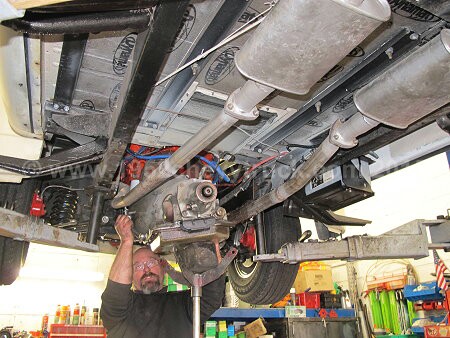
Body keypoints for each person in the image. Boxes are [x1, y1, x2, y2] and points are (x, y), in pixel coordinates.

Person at [100, 215, 225, 338]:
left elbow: (211, 296)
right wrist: (126, 241)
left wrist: (209, 244)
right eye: (137, 266)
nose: (146, 269)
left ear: (163, 267)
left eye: (151, 262)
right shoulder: (120, 311)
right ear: (129, 276)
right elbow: (115, 293)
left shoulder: (183, 305)